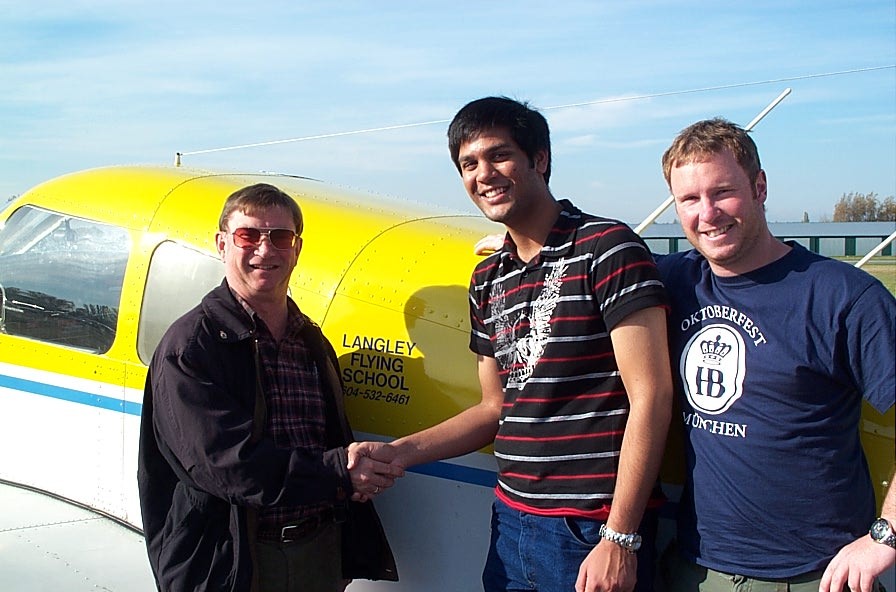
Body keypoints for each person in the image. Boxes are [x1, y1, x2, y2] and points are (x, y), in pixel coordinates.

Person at [375, 96, 674, 592]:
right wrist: (398, 453)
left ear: (540, 159)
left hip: (591, 529)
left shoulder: (606, 248)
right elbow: (495, 408)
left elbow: (652, 396)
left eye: (499, 155)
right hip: (511, 520)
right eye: (468, 164)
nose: (483, 174)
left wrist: (619, 538)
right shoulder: (489, 277)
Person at [657, 118, 896, 591]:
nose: (707, 214)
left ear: (760, 187)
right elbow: (595, 260)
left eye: (723, 192)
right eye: (689, 199)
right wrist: (530, 246)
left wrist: (885, 537)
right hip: (698, 568)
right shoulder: (674, 280)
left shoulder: (845, 297)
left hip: (818, 574)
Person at [137, 183, 402, 592]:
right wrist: (342, 473)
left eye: (280, 237)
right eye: (248, 236)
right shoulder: (190, 347)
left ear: (296, 248)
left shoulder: (311, 341)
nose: (265, 250)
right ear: (222, 243)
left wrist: (341, 547)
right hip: (236, 563)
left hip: (317, 553)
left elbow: (330, 436)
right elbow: (227, 466)